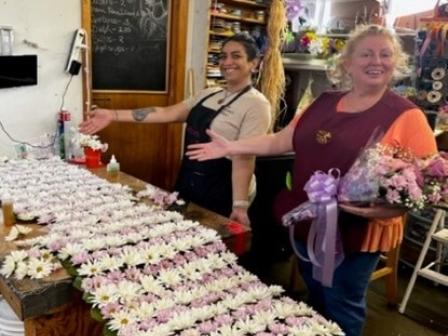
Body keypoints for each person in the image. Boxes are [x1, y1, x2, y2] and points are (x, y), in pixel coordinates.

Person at [186, 25, 437, 336]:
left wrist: (387, 210)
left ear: (396, 62)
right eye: (367, 53)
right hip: (308, 223)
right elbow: (280, 141)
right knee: (316, 297)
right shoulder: (323, 102)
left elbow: (425, 185)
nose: (377, 61)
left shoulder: (407, 116)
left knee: (341, 305)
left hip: (358, 234)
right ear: (347, 62)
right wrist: (231, 146)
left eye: (386, 54)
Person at [79, 33, 271, 226]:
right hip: (189, 179)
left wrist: (239, 206)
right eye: (223, 56)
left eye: (236, 56)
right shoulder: (208, 94)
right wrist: (113, 115)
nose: (227, 61)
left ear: (254, 63)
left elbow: (244, 157)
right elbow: (166, 113)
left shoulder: (256, 104)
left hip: (224, 188)